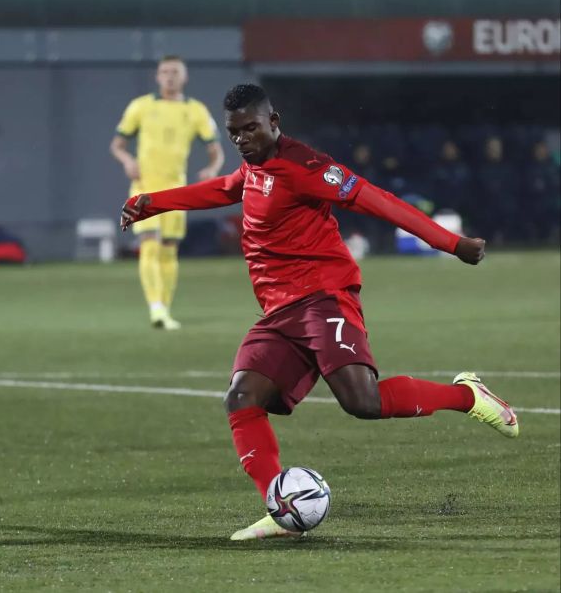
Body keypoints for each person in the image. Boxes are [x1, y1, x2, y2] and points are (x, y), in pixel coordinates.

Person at [121, 84, 518, 540]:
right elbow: (226, 188)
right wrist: (154, 202)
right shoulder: (254, 167)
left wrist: (451, 244)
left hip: (322, 297)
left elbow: (376, 199)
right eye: (234, 133)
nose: (242, 139)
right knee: (242, 397)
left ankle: (468, 396)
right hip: (279, 313)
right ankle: (283, 508)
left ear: (274, 121)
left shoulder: (305, 166)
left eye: (251, 128)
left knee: (362, 402)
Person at [110, 55, 224, 330]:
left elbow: (216, 151)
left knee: (169, 249)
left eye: (174, 72)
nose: (169, 76)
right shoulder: (141, 106)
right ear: (157, 77)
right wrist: (127, 161)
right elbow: (117, 144)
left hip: (176, 190)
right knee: (150, 242)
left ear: (184, 77)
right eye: (164, 72)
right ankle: (156, 309)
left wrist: (211, 169)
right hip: (144, 188)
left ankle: (165, 308)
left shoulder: (196, 110)